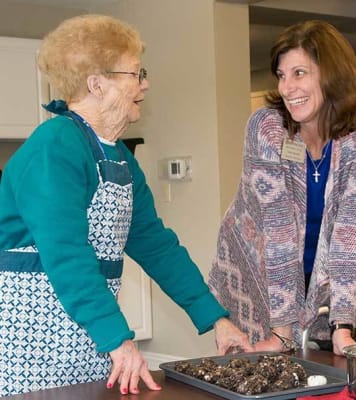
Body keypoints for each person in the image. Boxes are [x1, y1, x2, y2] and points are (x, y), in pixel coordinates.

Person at [0, 14, 252, 396]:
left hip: (87, 337)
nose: (145, 83)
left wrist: (215, 318)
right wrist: (118, 340)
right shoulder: (54, 147)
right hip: (29, 348)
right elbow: (68, 256)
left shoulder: (118, 156)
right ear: (96, 84)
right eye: (136, 73)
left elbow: (156, 245)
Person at [208, 20, 356, 356]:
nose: (288, 87)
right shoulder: (268, 128)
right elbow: (279, 231)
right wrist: (281, 333)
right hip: (254, 275)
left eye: (300, 73)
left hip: (316, 282)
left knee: (316, 376)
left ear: (332, 74)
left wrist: (343, 325)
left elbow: (351, 233)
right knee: (257, 379)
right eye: (281, 75)